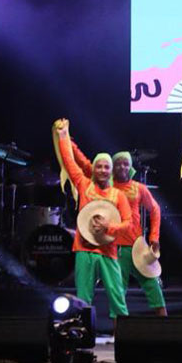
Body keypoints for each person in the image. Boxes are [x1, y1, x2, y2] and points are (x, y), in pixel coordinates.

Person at [53, 119, 133, 328]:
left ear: (111, 171)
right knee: (83, 300)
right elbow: (70, 162)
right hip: (84, 250)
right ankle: (83, 340)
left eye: (107, 167)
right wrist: (63, 137)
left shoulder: (118, 195)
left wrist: (109, 228)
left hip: (108, 251)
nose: (103, 170)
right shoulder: (84, 185)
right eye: (99, 166)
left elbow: (128, 223)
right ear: (94, 169)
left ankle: (122, 344)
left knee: (118, 299)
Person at [68, 145, 166, 316]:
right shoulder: (107, 187)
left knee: (153, 285)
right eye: (118, 164)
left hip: (137, 247)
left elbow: (155, 209)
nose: (122, 167)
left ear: (130, 167)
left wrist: (154, 236)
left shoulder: (138, 188)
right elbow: (84, 163)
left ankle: (169, 329)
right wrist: (68, 142)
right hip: (115, 247)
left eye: (125, 164)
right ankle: (118, 335)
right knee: (118, 295)